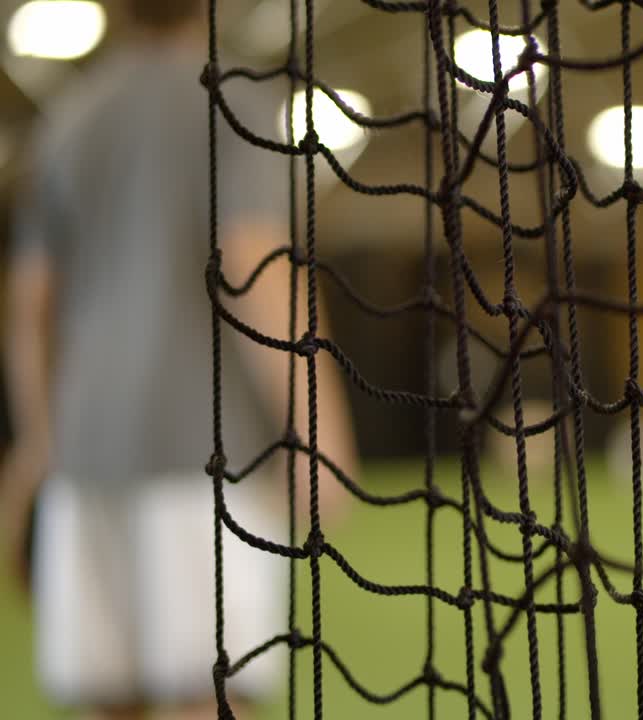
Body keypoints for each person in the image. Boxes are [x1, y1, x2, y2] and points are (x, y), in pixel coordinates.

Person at [0, 1, 358, 718]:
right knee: (209, 696)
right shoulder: (231, 101)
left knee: (113, 698)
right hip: (209, 462)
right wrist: (320, 430)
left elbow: (30, 300)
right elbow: (255, 265)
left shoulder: (69, 117)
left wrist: (40, 441)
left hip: (85, 455)